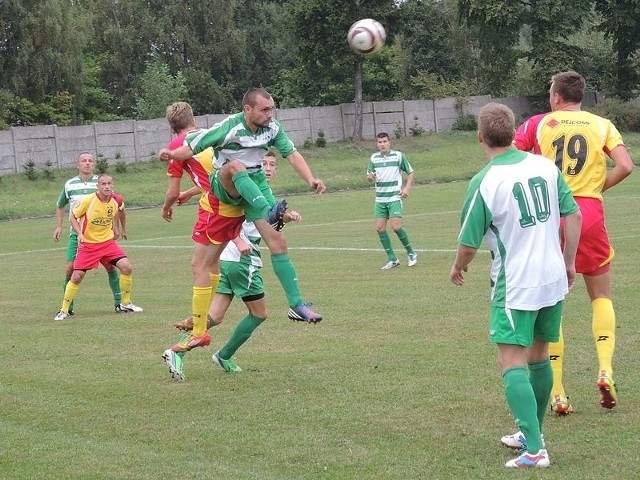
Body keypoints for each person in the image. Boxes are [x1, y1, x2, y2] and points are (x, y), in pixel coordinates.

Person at [450, 102, 581, 468]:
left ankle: (535, 450)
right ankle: (531, 434)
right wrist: (569, 262)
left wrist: (458, 267)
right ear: (513, 132)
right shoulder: (543, 165)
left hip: (516, 283)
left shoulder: (485, 181)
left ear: (480, 136)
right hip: (552, 276)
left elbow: (468, 243)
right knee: (539, 357)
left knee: (511, 361)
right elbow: (573, 213)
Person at [158, 88, 325, 352]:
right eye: (264, 110)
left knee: (278, 242)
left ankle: (296, 305)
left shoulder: (273, 129)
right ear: (247, 109)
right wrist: (171, 155)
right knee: (235, 166)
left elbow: (291, 154)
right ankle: (269, 210)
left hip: (254, 184)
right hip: (224, 183)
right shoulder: (229, 127)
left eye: (272, 109)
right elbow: (191, 146)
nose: (270, 115)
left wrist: (311, 179)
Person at [515, 70, 634, 414]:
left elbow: (513, 157)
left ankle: (559, 392)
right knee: (601, 296)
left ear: (555, 97)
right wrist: (597, 189)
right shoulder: (601, 125)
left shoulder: (538, 123)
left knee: (553, 303)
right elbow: (626, 165)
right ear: (581, 96)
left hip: (550, 213)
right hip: (589, 212)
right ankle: (605, 369)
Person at [162, 152, 302, 381]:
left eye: (271, 164)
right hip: (242, 260)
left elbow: (219, 186)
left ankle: (176, 351)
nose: (267, 168)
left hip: (225, 259)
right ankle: (224, 355)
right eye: (263, 163)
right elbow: (245, 218)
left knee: (215, 317)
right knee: (259, 314)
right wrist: (238, 239)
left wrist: (285, 217)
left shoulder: (250, 187)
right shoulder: (249, 190)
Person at [161, 101, 244, 354]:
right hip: (235, 204)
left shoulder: (178, 146)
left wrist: (167, 206)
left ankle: (199, 331)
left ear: (171, 127)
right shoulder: (208, 135)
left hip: (216, 209)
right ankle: (205, 317)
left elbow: (171, 191)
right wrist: (191, 191)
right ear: (193, 119)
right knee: (212, 263)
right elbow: (215, 175)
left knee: (199, 266)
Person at [53, 174, 143, 321]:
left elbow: (118, 211)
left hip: (107, 243)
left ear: (112, 185)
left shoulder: (116, 199)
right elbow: (72, 217)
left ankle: (126, 303)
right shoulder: (89, 200)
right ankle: (64, 310)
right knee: (76, 277)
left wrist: (120, 228)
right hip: (89, 245)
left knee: (127, 267)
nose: (106, 186)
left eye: (109, 184)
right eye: (103, 184)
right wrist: (80, 233)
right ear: (98, 186)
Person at [367, 132, 417, 269]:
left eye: (384, 141)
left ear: (389, 142)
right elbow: (369, 176)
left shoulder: (398, 156)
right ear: (377, 144)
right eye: (380, 142)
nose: (382, 144)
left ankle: (411, 253)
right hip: (380, 198)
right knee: (379, 228)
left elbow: (411, 172)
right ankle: (392, 259)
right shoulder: (373, 158)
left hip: (394, 196)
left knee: (396, 227)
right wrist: (370, 177)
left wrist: (406, 188)